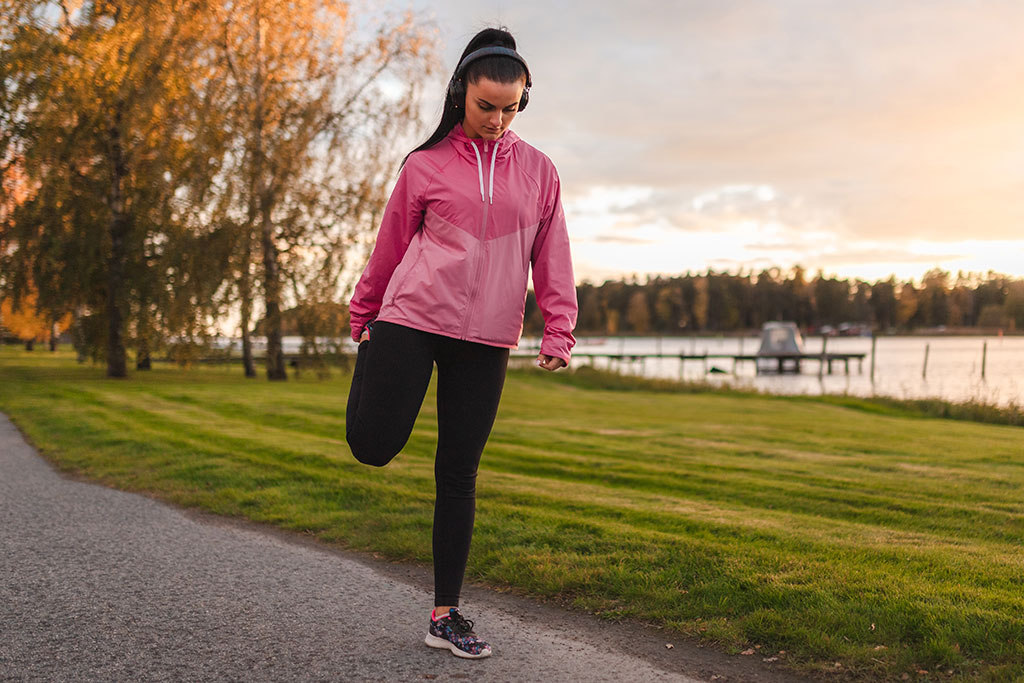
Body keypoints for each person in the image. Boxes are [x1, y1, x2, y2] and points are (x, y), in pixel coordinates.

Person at [345, 27, 577, 659]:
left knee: (459, 473)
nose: (498, 119)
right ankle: (369, 362)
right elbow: (390, 244)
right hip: (411, 321)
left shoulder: (539, 173)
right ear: (460, 95)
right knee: (372, 447)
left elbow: (552, 255)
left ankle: (445, 613)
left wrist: (559, 326)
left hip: (487, 338)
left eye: (511, 107)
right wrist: (365, 312)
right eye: (486, 106)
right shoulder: (425, 166)